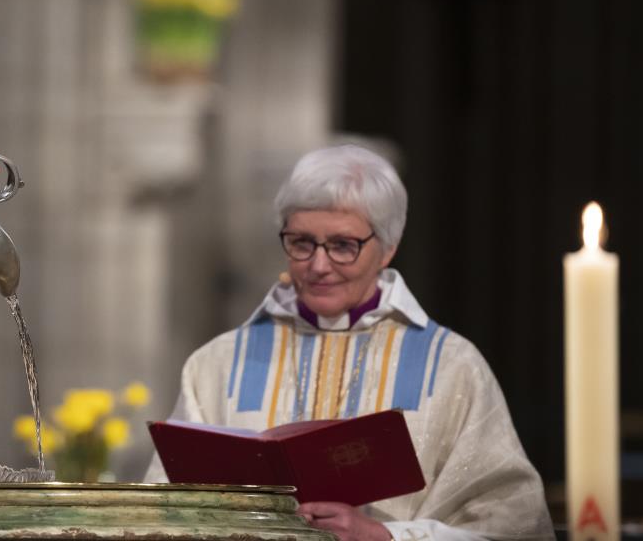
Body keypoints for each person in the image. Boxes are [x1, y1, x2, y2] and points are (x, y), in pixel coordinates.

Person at [144, 145, 554, 541]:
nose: (319, 266)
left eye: (343, 246)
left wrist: (384, 537)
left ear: (388, 248)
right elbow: (164, 515)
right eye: (301, 242)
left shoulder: (452, 366)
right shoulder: (217, 364)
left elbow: (512, 528)